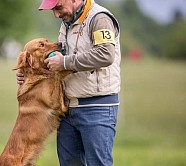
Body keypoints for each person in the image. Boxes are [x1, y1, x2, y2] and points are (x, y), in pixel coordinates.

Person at [17, 0, 121, 165]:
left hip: (96, 108)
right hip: (67, 111)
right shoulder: (67, 23)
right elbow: (55, 62)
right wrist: (27, 75)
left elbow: (105, 55)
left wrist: (65, 62)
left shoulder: (99, 18)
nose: (56, 14)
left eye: (58, 8)